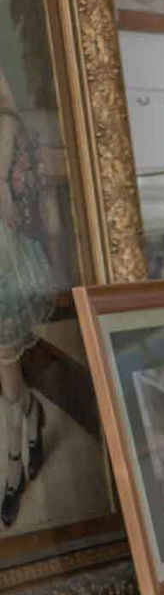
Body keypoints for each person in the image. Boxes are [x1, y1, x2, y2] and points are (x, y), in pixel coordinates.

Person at [0, 70, 50, 528]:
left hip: (4, 257)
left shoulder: (6, 123)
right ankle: (33, 413)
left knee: (7, 367)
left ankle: (12, 467)